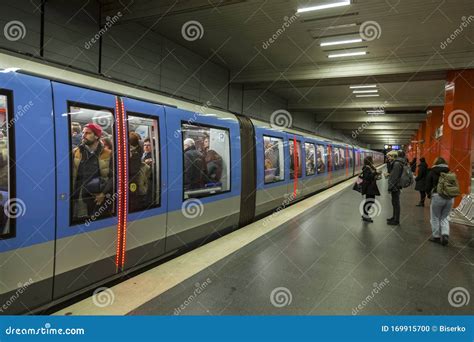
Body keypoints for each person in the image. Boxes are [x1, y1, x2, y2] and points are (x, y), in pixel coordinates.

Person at [72, 123, 113, 220]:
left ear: (96, 136)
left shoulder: (108, 154)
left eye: (87, 133)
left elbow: (113, 176)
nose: (83, 135)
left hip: (96, 199)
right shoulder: (76, 152)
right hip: (76, 197)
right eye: (83, 133)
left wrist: (103, 193)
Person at [425, 157, 453, 246]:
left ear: (435, 163)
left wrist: (429, 194)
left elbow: (428, 185)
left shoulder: (433, 171)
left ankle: (436, 236)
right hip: (450, 197)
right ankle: (445, 234)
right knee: (444, 217)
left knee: (435, 217)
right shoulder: (449, 171)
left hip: (437, 196)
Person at [128, 132, 150, 211]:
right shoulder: (138, 153)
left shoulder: (135, 155)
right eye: (145, 145)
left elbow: (132, 171)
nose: (146, 147)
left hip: (134, 186)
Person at [387, 150, 405, 225]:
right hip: (396, 185)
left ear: (394, 156)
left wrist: (390, 187)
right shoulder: (397, 163)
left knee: (396, 203)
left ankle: (396, 220)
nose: (388, 158)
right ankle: (394, 217)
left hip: (395, 186)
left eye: (389, 156)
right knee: (394, 202)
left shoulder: (397, 164)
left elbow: (394, 177)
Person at [360, 156, 381, 223]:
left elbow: (371, 176)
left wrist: (376, 174)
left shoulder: (370, 167)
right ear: (369, 160)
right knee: (369, 201)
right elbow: (367, 177)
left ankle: (365, 215)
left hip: (371, 187)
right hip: (369, 187)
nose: (373, 160)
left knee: (370, 201)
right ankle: (365, 215)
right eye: (372, 159)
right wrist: (375, 173)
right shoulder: (366, 168)